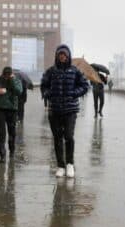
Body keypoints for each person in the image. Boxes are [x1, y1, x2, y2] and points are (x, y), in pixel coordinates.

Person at [41, 44, 89, 178]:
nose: (62, 56)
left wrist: (74, 93)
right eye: (60, 54)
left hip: (70, 110)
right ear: (57, 56)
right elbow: (43, 85)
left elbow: (85, 86)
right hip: (54, 110)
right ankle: (60, 166)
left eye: (64, 54)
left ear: (68, 56)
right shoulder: (51, 71)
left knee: (68, 137)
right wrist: (48, 93)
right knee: (57, 138)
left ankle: (70, 164)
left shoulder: (75, 71)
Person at [0, 67, 22, 163]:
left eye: (8, 74)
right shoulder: (0, 79)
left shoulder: (16, 80)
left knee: (12, 132)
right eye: (5, 74)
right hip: (0, 109)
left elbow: (19, 91)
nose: (6, 76)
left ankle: (12, 151)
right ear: (3, 73)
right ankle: (2, 155)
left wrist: (11, 80)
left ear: (11, 73)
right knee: (0, 133)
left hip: (12, 109)